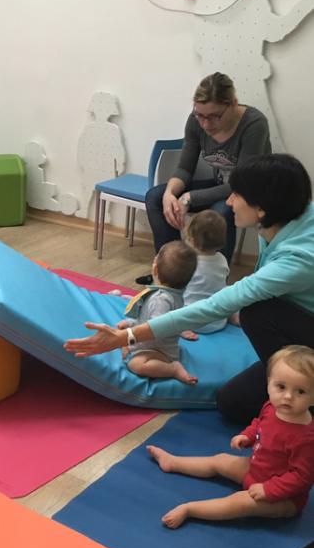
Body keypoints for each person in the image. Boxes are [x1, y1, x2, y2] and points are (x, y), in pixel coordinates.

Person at [64, 154, 314, 427]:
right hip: (299, 322)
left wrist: (128, 337)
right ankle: (287, 368)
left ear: (262, 208)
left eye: (236, 195)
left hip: (302, 328)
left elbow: (217, 305)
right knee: (231, 404)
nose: (229, 202)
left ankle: (301, 378)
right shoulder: (284, 218)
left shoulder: (299, 258)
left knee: (256, 311)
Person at [146, 345, 314, 529]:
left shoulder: (306, 437)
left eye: (301, 392)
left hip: (285, 498)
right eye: (281, 386)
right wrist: (247, 436)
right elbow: (259, 423)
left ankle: (190, 509)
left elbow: (301, 477)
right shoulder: (272, 406)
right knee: (220, 460)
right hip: (257, 469)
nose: (288, 396)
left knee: (239, 503)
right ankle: (173, 462)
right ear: (268, 383)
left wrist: (268, 490)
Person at [136, 72, 271, 285]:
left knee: (220, 212)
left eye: (214, 116)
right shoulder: (195, 120)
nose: (206, 124)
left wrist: (189, 197)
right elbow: (184, 168)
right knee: (155, 196)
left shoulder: (254, 124)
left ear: (233, 104)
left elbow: (240, 183)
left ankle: (213, 282)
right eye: (200, 115)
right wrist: (170, 194)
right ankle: (170, 271)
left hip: (246, 192)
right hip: (220, 186)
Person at [119, 240, 197, 384]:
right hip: (160, 345)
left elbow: (155, 330)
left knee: (136, 365)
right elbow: (151, 320)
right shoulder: (175, 293)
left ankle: (172, 369)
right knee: (121, 330)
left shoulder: (160, 300)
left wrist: (130, 339)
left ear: (155, 270)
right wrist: (131, 323)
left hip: (159, 351)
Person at [180, 210, 230, 340]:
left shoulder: (188, 262)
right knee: (226, 293)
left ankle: (180, 328)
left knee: (165, 299)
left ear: (191, 240)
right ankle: (232, 316)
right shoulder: (222, 260)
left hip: (191, 321)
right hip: (218, 321)